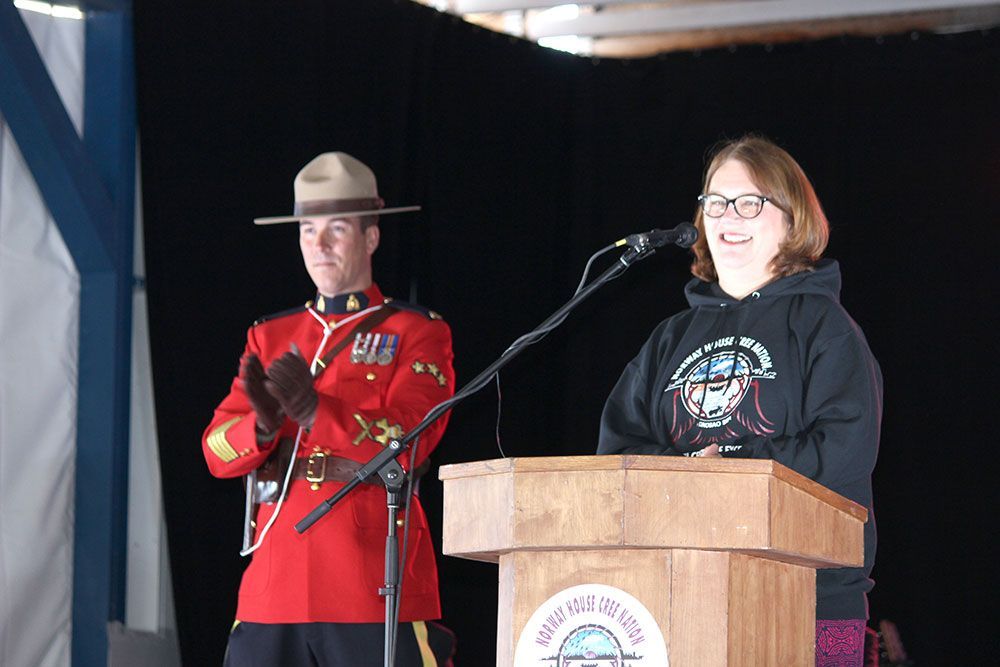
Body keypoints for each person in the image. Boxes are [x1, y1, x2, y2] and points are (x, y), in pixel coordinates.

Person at [597, 135, 881, 667]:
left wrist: (731, 465)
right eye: (716, 202)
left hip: (813, 601)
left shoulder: (826, 328)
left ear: (792, 219)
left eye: (750, 202)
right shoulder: (669, 337)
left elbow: (844, 448)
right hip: (678, 592)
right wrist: (689, 470)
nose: (730, 215)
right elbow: (617, 451)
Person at [202, 152, 456, 666]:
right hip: (274, 586)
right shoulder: (270, 335)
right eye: (307, 230)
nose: (317, 245)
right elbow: (215, 449)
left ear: (371, 237)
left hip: (368, 582)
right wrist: (264, 426)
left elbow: (413, 438)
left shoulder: (417, 332)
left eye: (336, 229)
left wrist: (320, 410)